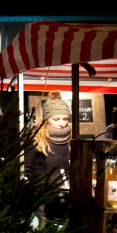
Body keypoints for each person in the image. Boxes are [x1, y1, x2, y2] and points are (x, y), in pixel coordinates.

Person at [24, 91, 72, 220]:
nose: (61, 123)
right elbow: (24, 169)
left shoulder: (71, 140)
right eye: (56, 119)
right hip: (42, 199)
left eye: (65, 118)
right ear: (46, 119)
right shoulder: (36, 139)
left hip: (67, 197)